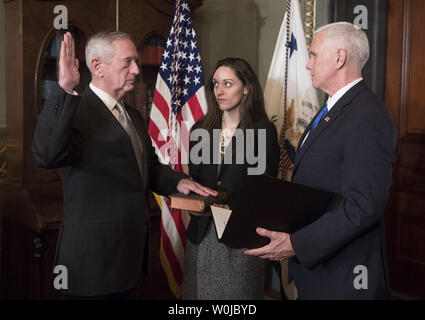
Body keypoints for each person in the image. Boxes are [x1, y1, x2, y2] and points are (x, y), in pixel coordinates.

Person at [32, 31, 217, 299]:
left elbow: (150, 169)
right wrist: (65, 90)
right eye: (128, 62)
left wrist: (178, 182)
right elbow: (46, 155)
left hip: (128, 260)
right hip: (91, 265)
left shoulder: (133, 115)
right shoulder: (76, 110)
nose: (137, 70)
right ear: (98, 66)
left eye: (137, 62)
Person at [245, 22, 398, 299]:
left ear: (339, 58)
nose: (307, 64)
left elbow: (363, 206)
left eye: (313, 55)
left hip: (346, 275)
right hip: (320, 271)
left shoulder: (367, 115)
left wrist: (297, 244)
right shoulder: (332, 107)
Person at [181, 57, 280, 300]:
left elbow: (264, 191)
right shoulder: (200, 129)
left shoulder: (262, 131)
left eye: (227, 84)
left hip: (240, 239)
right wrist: (194, 202)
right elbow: (195, 180)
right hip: (201, 237)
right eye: (215, 84)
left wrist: (225, 204)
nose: (219, 91)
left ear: (246, 88)